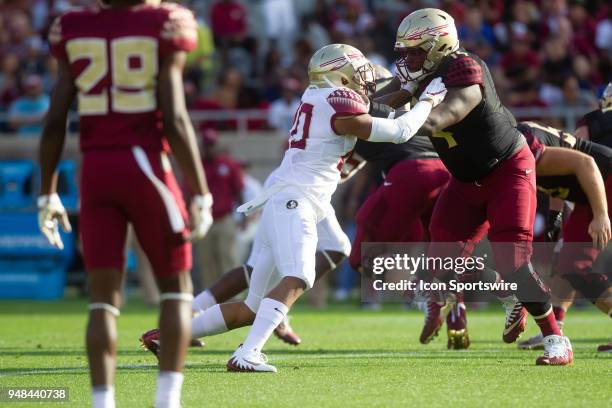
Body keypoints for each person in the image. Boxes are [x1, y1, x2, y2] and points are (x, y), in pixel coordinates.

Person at [157, 43, 446, 373]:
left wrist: (407, 88)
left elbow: (375, 108)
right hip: (296, 200)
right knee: (299, 275)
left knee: (255, 304)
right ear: (338, 74)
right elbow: (399, 130)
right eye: (357, 70)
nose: (365, 77)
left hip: (290, 197)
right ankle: (247, 353)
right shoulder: (339, 100)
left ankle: (169, 336)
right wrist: (427, 100)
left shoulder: (320, 97)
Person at [38, 1, 213, 407]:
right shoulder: (164, 22)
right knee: (176, 290)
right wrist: (200, 189)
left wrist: (46, 191)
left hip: (95, 170)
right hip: (145, 163)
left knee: (102, 300)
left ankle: (103, 402)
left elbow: (55, 118)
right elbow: (174, 116)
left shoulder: (73, 26)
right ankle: (166, 401)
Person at [378, 8, 572, 365]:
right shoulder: (419, 72)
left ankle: (556, 340)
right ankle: (471, 300)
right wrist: (352, 109)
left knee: (512, 258)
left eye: (416, 50)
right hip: (466, 180)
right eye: (404, 51)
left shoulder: (464, 68)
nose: (408, 58)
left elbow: (443, 116)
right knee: (440, 257)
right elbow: (380, 100)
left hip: (507, 170)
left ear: (440, 45)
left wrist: (401, 116)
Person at [513, 121, 612, 353]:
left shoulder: (521, 144)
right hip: (589, 190)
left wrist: (600, 215)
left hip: (603, 181)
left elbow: (584, 162)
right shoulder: (516, 140)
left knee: (573, 265)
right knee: (563, 261)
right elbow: (557, 179)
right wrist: (555, 215)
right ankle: (554, 327)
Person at [193, 128, 243, 290]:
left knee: (228, 259)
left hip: (225, 218)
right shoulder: (197, 166)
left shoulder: (228, 165)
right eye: (206, 146)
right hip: (204, 219)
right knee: (207, 262)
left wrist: (242, 216)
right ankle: (210, 298)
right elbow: (189, 193)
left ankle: (232, 295)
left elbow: (239, 191)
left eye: (212, 145)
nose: (209, 149)